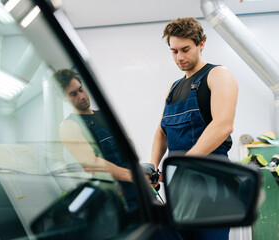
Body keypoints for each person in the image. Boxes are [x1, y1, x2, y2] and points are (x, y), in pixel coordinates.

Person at [150, 17, 238, 240]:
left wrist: (183, 165)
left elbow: (223, 125)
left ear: (201, 44)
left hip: (213, 188)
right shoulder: (174, 87)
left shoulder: (218, 75)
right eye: (174, 51)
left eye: (185, 49)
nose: (179, 57)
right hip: (180, 187)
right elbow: (162, 131)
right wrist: (152, 167)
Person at [52, 69, 137, 210]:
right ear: (63, 98)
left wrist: (142, 174)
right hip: (120, 199)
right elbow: (91, 164)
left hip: (138, 187)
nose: (82, 96)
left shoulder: (105, 115)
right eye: (73, 94)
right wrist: (132, 176)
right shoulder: (69, 125)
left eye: (81, 89)